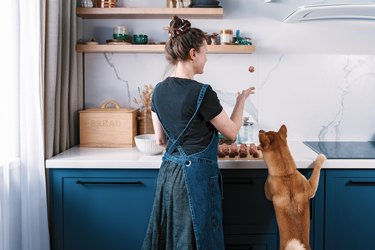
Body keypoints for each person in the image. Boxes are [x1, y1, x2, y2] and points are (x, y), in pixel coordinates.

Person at [142, 16, 255, 250]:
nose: (206, 59)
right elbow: (232, 133)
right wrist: (241, 101)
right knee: (198, 240)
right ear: (193, 54)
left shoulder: (158, 91)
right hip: (195, 180)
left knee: (171, 240)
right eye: (205, 53)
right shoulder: (203, 93)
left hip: (169, 177)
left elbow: (161, 140)